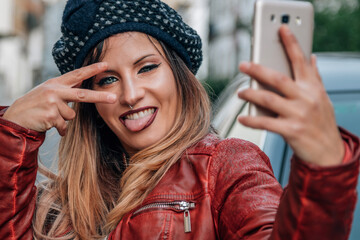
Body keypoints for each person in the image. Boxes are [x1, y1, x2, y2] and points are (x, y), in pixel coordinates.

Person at [0, 0, 359, 239]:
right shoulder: (62, 203)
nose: (130, 94)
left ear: (179, 75)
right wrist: (12, 133)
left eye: (147, 68)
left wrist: (324, 170)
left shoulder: (226, 167)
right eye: (107, 79)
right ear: (89, 100)